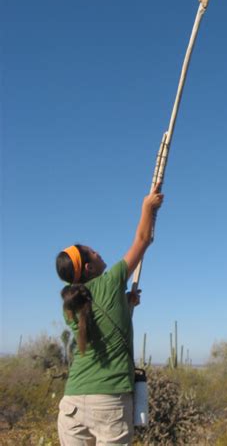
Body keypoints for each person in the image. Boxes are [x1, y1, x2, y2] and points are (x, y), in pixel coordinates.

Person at [55, 184, 164, 446]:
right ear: (90, 267)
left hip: (71, 405)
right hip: (109, 404)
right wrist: (147, 207)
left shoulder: (70, 304)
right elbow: (142, 240)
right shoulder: (111, 280)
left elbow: (99, 327)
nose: (98, 251)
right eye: (92, 252)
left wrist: (124, 306)